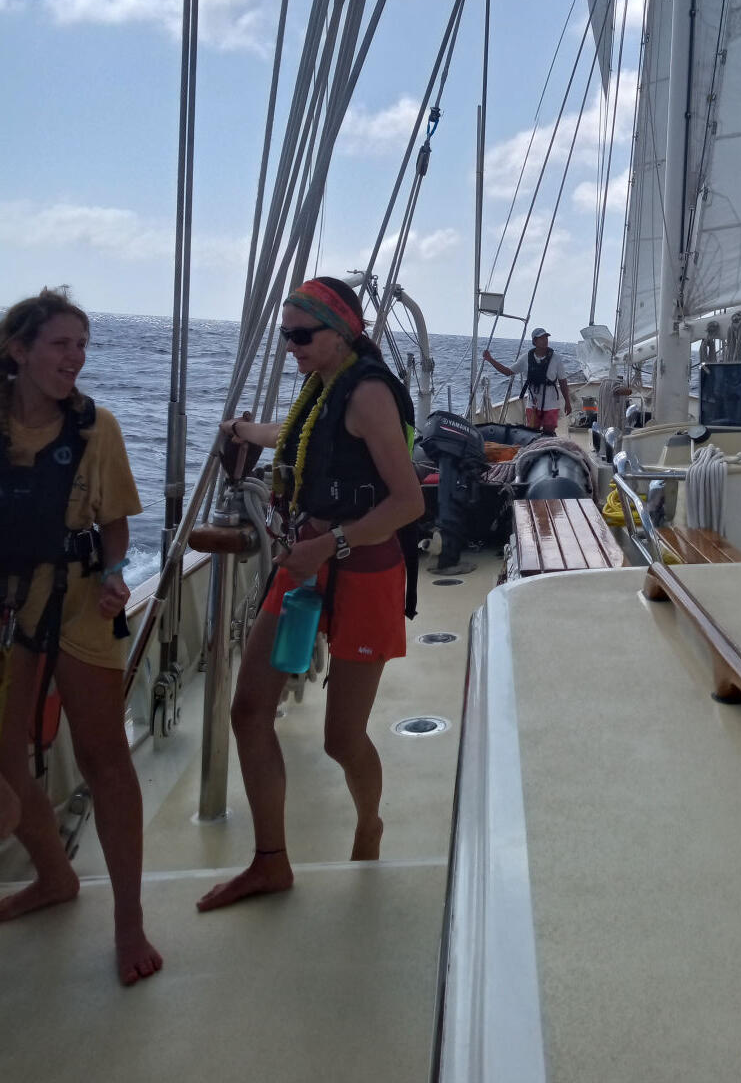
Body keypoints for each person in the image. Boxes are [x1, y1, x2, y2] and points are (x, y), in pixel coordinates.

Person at [197, 276, 423, 912]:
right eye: (286, 336)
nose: (291, 347)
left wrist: (330, 545)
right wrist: (246, 431)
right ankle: (271, 861)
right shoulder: (321, 384)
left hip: (362, 570)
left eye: (301, 336)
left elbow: (408, 502)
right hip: (304, 566)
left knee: (340, 739)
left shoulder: (369, 393)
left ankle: (370, 823)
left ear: (341, 333)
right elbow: (300, 437)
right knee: (249, 710)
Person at [0, 288, 160, 986]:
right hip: (10, 605)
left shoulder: (99, 428)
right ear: (19, 350)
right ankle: (54, 876)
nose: (77, 358)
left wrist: (117, 573)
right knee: (7, 755)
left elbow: (115, 523)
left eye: (83, 345)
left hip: (83, 601)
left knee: (105, 758)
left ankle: (129, 921)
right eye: (62, 344)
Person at [482, 327, 572, 435]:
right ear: (534, 341)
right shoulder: (525, 358)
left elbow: (563, 382)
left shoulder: (556, 358)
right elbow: (507, 372)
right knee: (532, 433)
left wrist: (567, 402)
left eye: (546, 337)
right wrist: (490, 359)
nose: (545, 340)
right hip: (533, 404)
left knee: (549, 433)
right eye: (541, 338)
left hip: (551, 404)